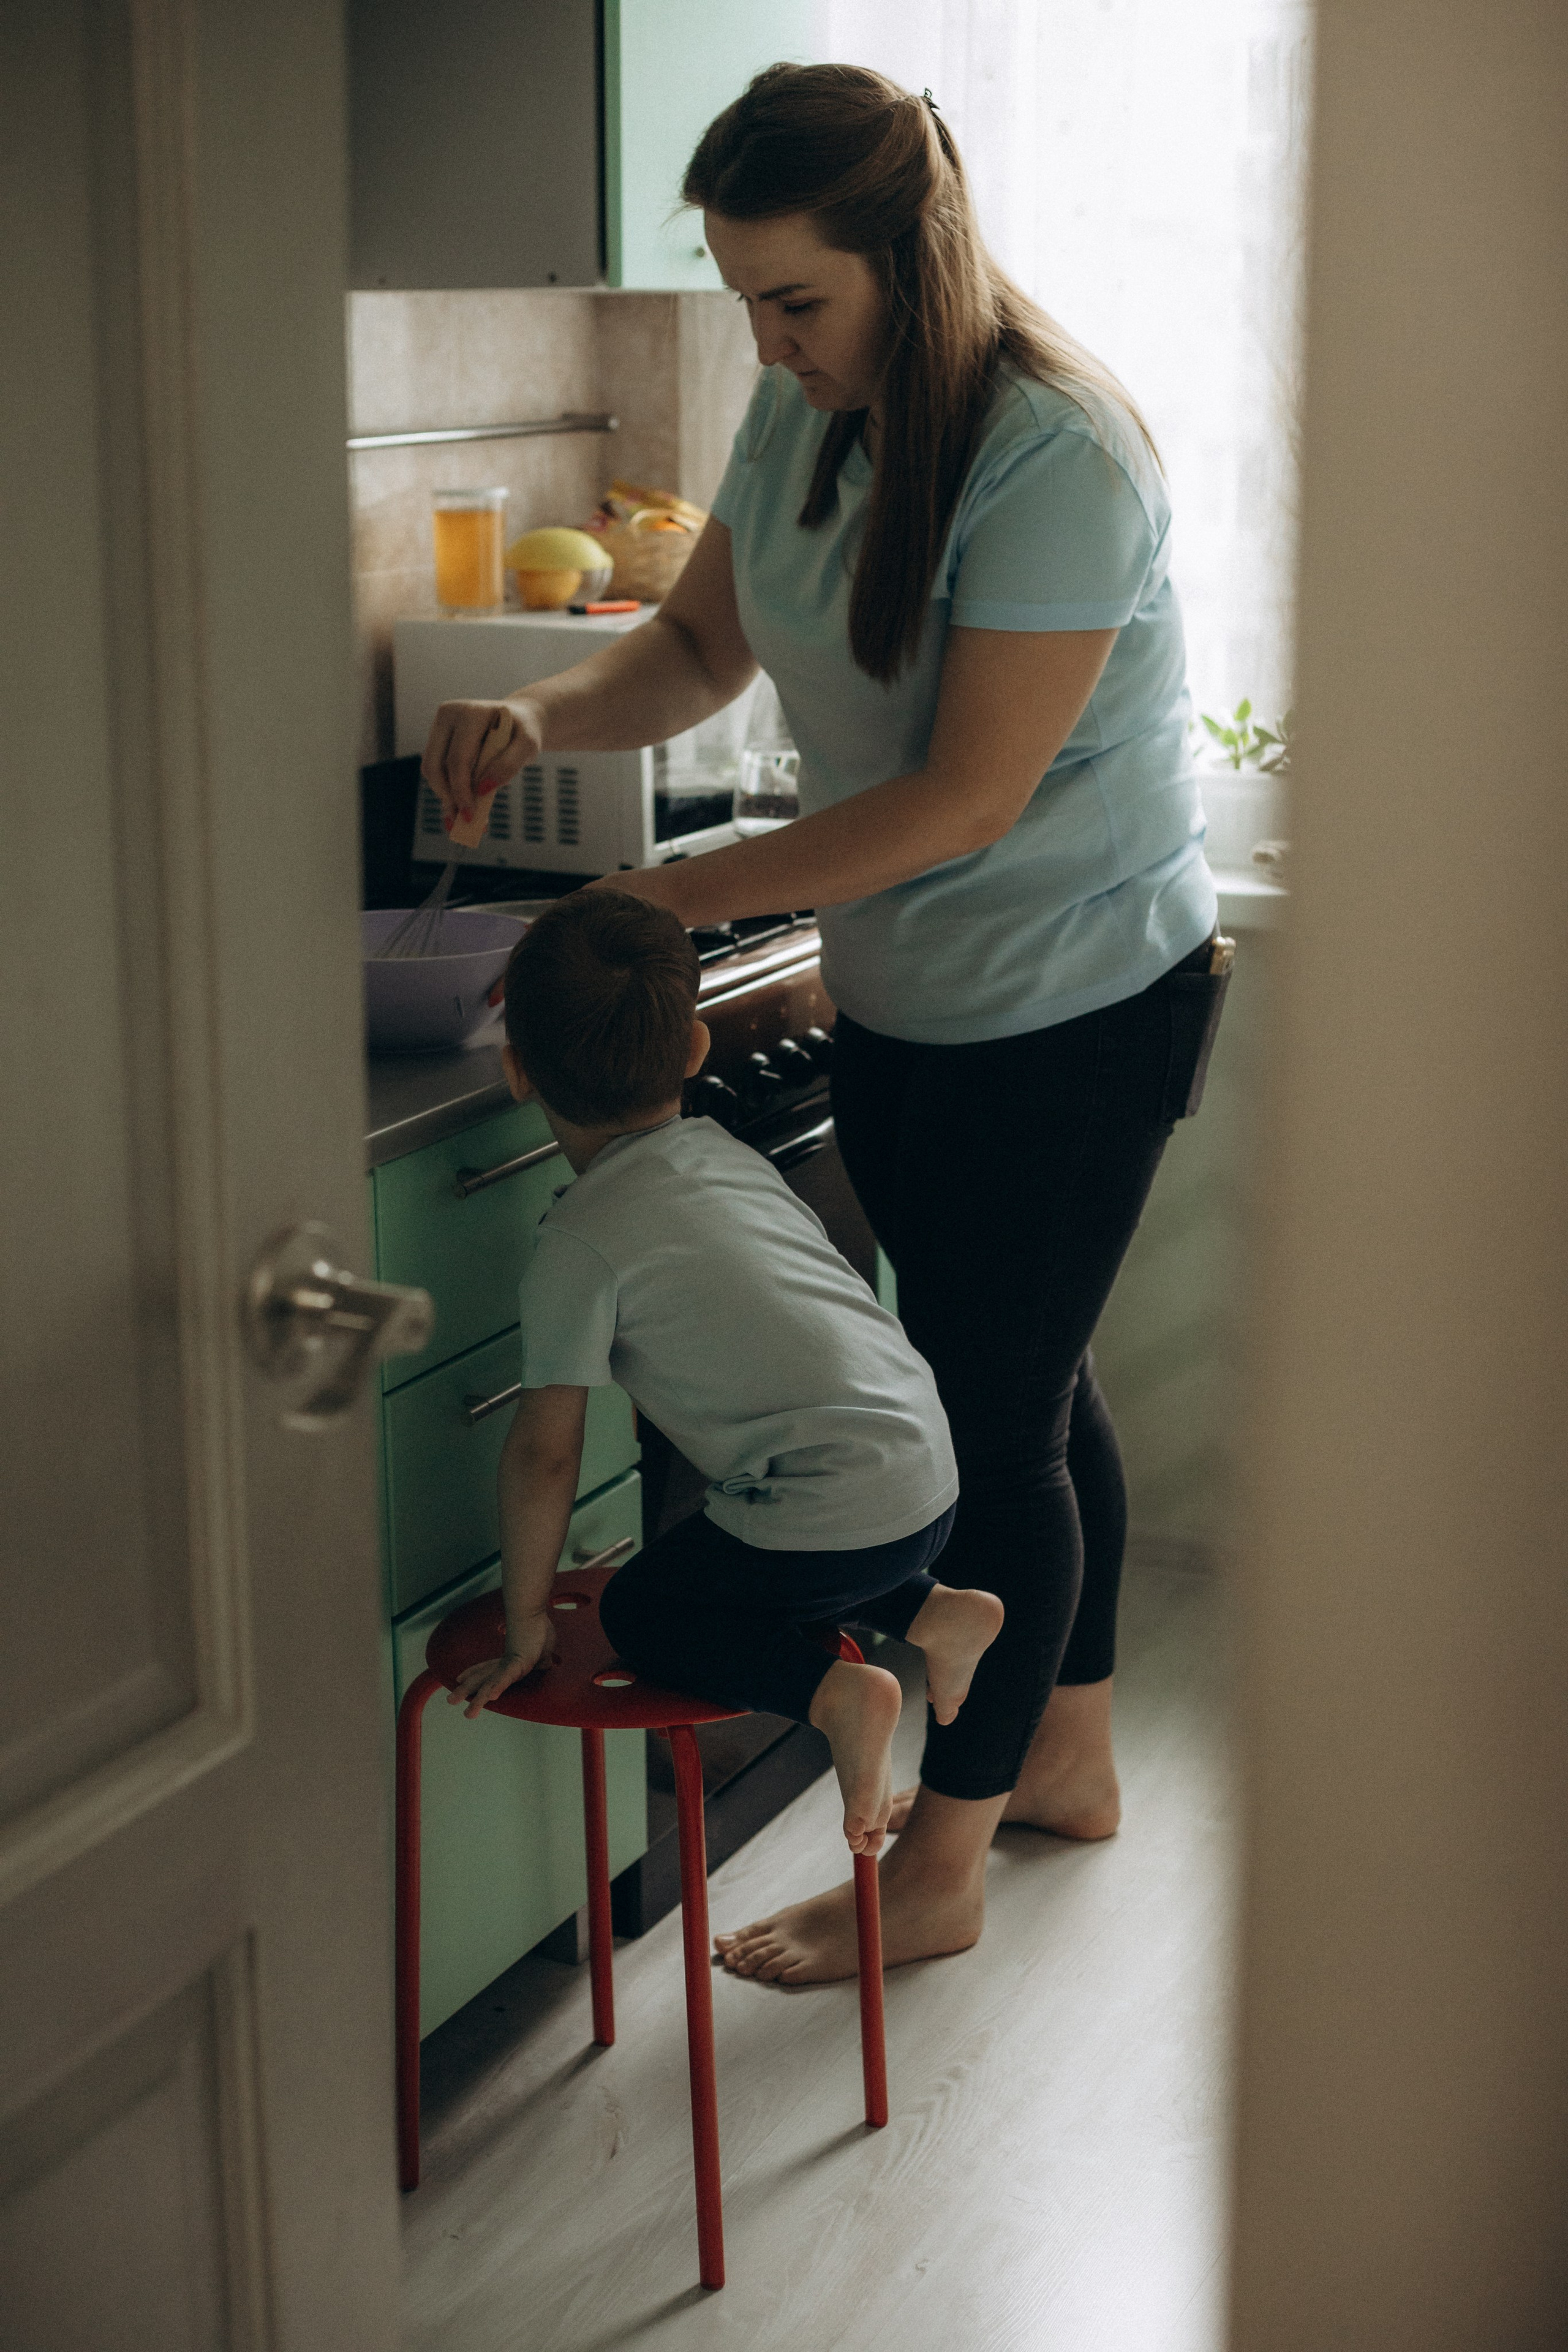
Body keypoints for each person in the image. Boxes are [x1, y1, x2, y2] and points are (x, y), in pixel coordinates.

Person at [424, 64, 1222, 1985]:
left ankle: (938, 1866)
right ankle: (1070, 1759)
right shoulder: (803, 421)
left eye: (797, 300)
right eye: (744, 299)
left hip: (1078, 1004)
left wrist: (663, 899)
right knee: (1023, 1379)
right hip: (907, 1002)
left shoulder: (1056, 454)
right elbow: (698, 649)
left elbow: (964, 801)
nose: (768, 342)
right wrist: (543, 713)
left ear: (908, 262)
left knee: (986, 1421)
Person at [447, 891, 1003, 1861]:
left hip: (839, 1517)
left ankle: (837, 1695)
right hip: (927, 1474)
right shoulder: (720, 1153)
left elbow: (545, 1453)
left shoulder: (581, 1243)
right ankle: (936, 1612)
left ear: (516, 1072)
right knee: (780, 1534)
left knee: (650, 1606)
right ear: (696, 1050)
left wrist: (527, 1617)